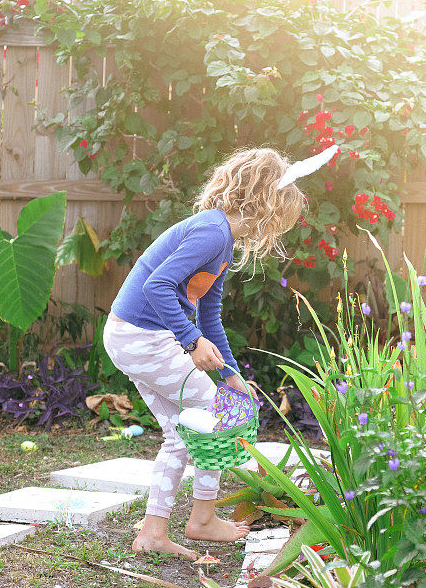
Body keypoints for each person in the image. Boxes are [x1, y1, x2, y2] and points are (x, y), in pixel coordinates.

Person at [103, 147, 304, 559]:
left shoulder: (222, 241)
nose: (278, 229)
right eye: (281, 216)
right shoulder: (213, 232)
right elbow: (156, 286)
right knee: (216, 418)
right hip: (142, 336)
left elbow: (208, 316)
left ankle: (154, 534)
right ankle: (203, 520)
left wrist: (230, 375)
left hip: (132, 336)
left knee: (181, 432)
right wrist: (191, 342)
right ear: (267, 202)